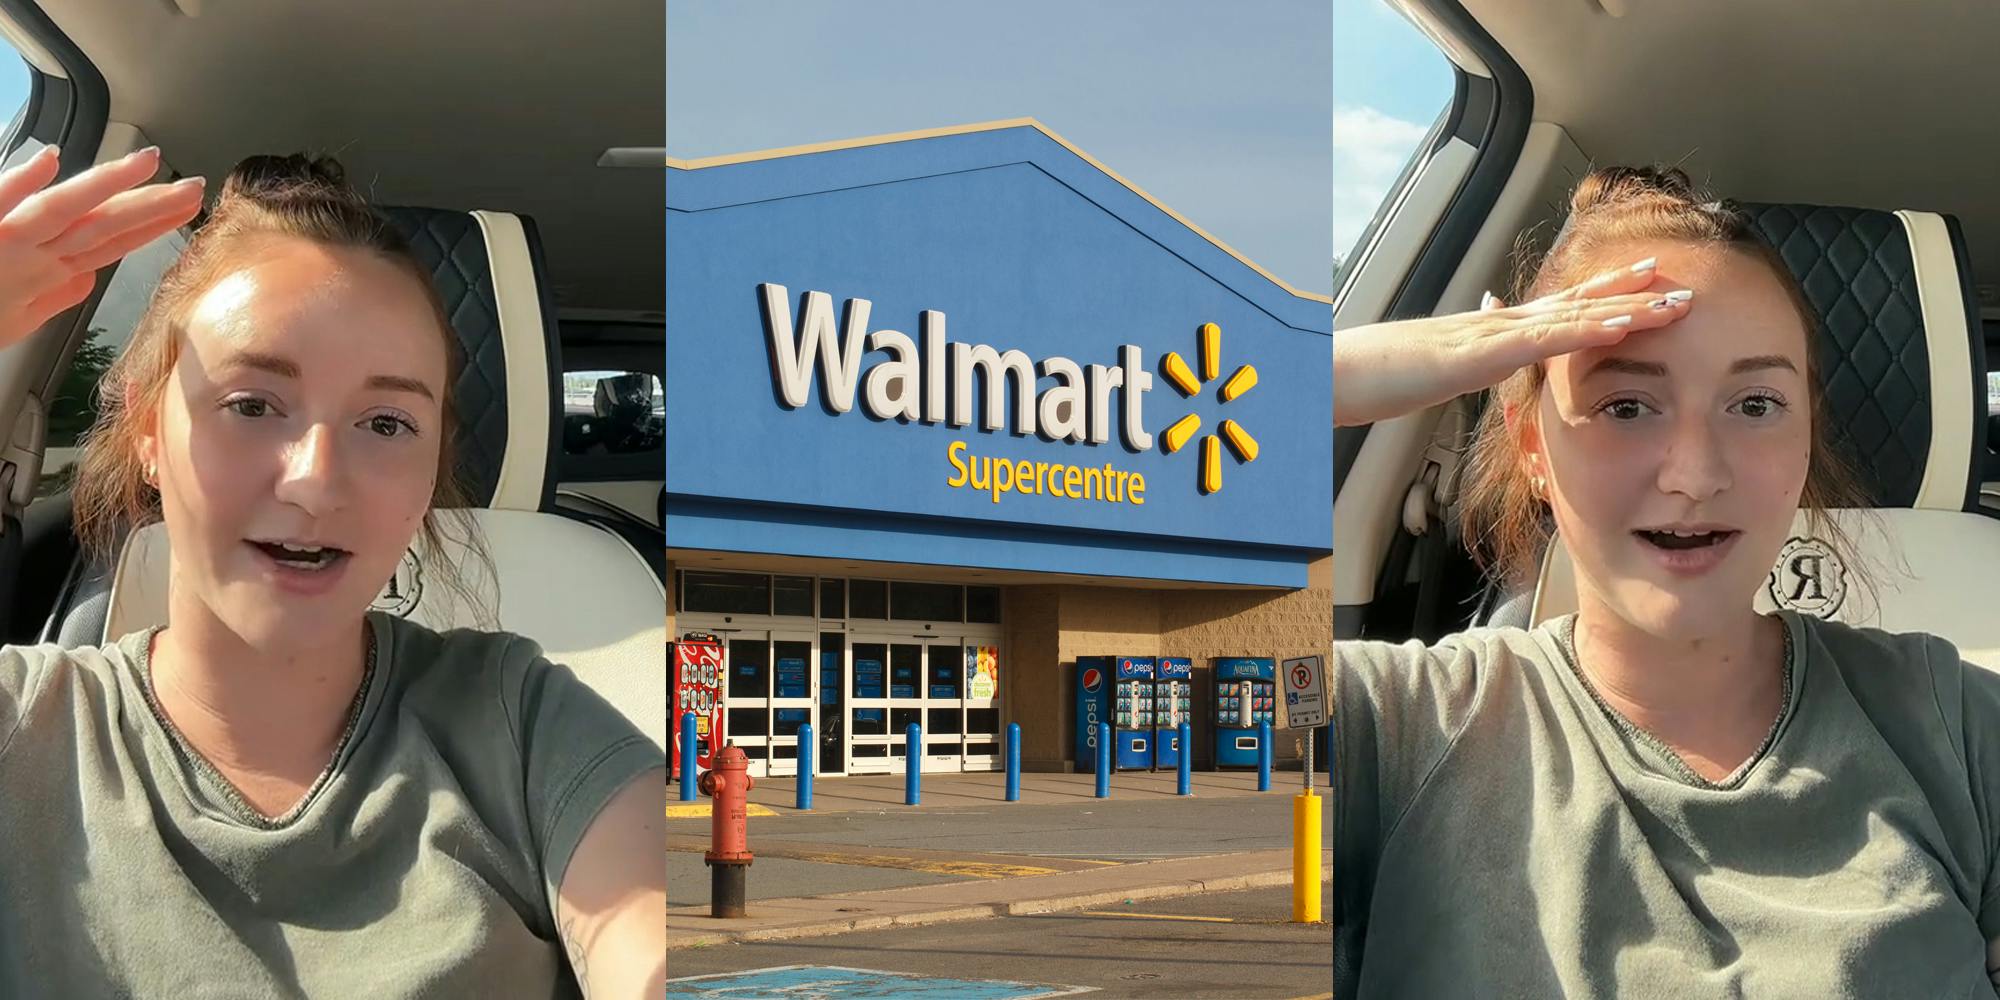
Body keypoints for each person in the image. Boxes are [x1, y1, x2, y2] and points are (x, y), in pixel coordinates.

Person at [0, 146, 664, 996]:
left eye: (386, 424)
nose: (315, 480)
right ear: (147, 433)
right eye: (251, 405)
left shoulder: (522, 725)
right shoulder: (27, 731)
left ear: (430, 471)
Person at [1333, 166, 2000, 998]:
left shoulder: (1953, 726)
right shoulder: (1395, 729)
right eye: (1625, 406)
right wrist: (1332, 376)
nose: (1694, 475)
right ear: (1531, 444)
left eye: (1755, 405)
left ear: (1803, 443)